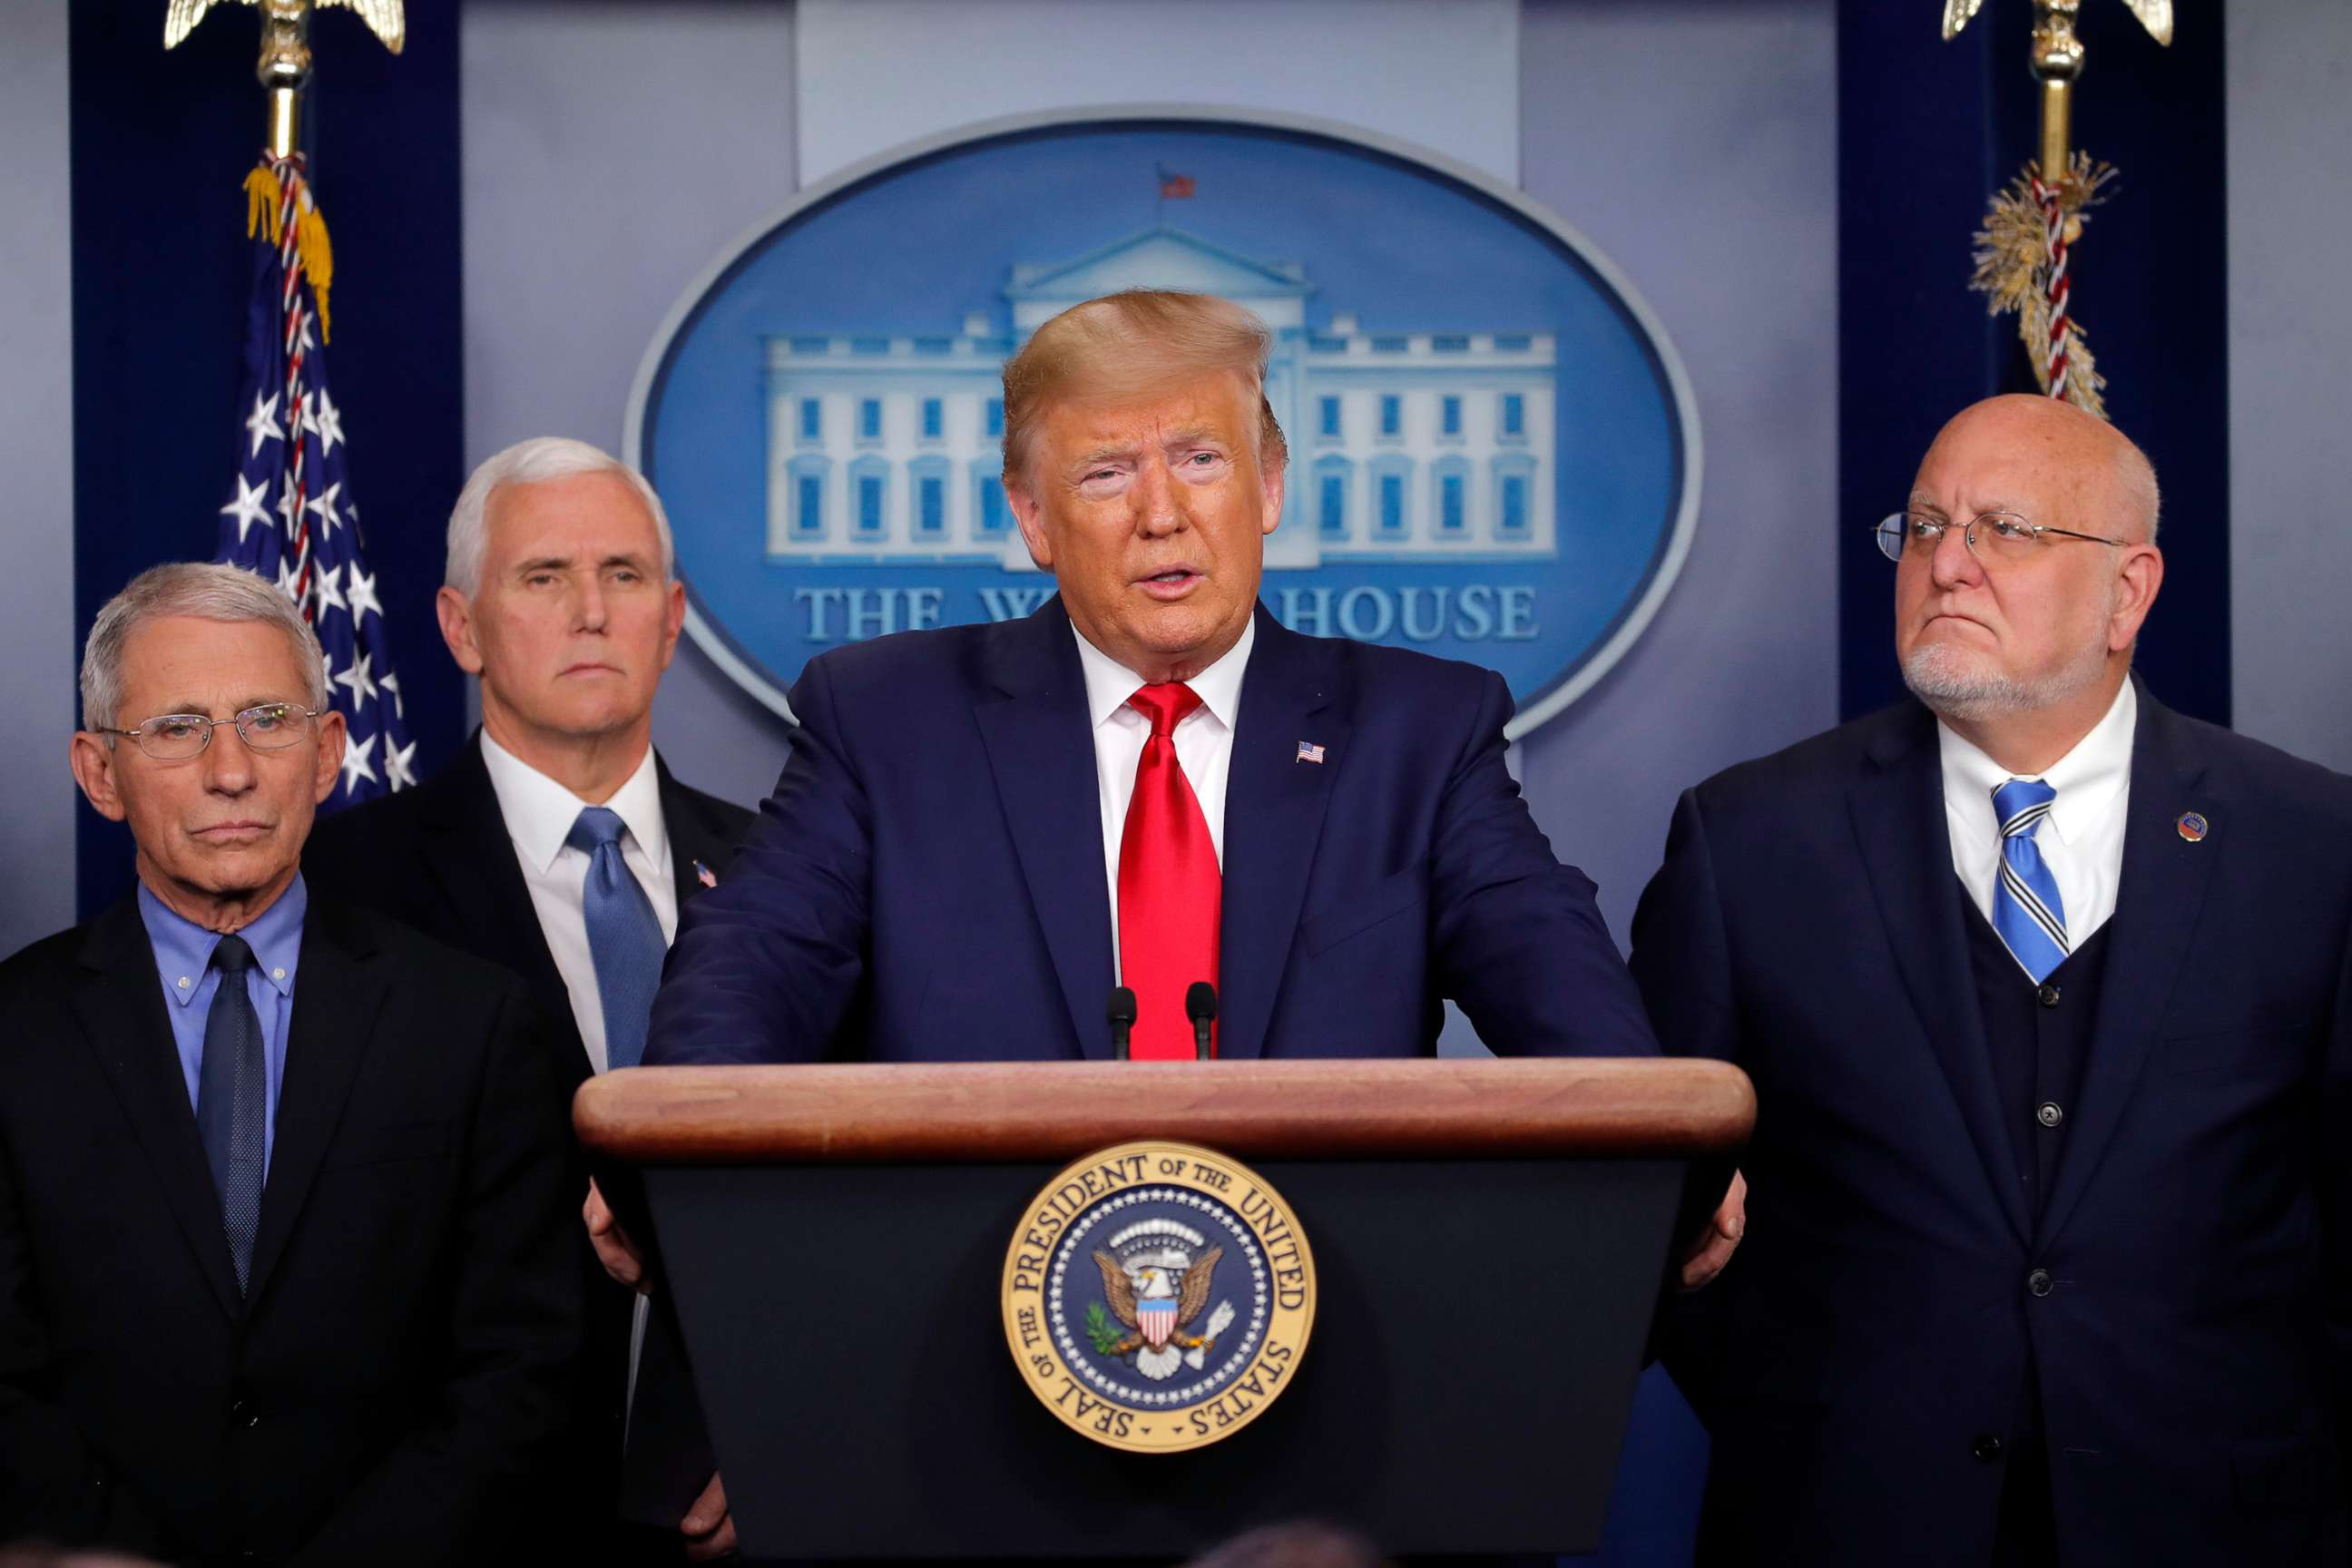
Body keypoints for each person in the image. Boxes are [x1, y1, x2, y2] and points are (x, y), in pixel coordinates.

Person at [1632, 395, 2352, 1564]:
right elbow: (1661, 1223)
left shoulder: (2311, 844)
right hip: (1847, 1524)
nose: (1948, 565)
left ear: (2130, 590)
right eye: (1922, 527)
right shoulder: (1750, 840)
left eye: (2004, 529)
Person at [641, 289, 1661, 1072]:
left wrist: (1666, 1161)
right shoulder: (886, 724)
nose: (1162, 513)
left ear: (1269, 486)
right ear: (1033, 519)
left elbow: (1562, 992)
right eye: (1106, 473)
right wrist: (673, 1159)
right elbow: (749, 969)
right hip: (976, 1309)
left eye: (1200, 459)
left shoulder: (1418, 735)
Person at [0, 563, 580, 1565]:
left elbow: (518, 1373)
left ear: (325, 753)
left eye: (267, 719)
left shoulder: (474, 1023)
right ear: (100, 773)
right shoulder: (12, 1033)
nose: (231, 769)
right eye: (178, 728)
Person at [304, 438, 753, 1562]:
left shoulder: (783, 874)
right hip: (443, 1524)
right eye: (544, 578)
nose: (591, 612)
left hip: (738, 1512)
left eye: (625, 575)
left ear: (674, 616)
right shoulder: (340, 887)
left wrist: (802, 1439)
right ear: (461, 628)